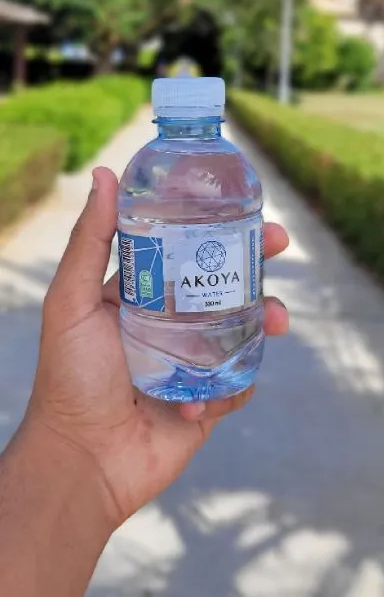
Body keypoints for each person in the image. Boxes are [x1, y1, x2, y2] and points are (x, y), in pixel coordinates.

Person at [0, 167, 289, 597]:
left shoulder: (229, 169)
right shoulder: (154, 170)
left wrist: (73, 450)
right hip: (151, 366)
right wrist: (72, 438)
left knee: (247, 298)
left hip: (204, 363)